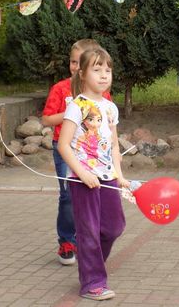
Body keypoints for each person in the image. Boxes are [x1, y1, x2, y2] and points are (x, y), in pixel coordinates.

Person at [57, 47, 130, 301]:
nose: (104, 75)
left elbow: (114, 145)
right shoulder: (76, 106)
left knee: (114, 227)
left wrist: (119, 175)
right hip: (83, 181)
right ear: (83, 74)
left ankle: (92, 262)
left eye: (107, 70)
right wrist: (82, 174)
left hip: (108, 178)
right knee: (88, 231)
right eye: (97, 70)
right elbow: (63, 145)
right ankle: (92, 282)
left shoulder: (110, 108)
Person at [41, 38, 111, 265]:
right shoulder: (60, 88)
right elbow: (46, 119)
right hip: (65, 148)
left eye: (80, 62)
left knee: (94, 193)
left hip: (92, 152)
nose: (75, 66)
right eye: (73, 62)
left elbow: (108, 122)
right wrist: (74, 112)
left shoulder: (101, 90)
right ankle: (67, 241)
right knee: (68, 195)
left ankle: (89, 239)